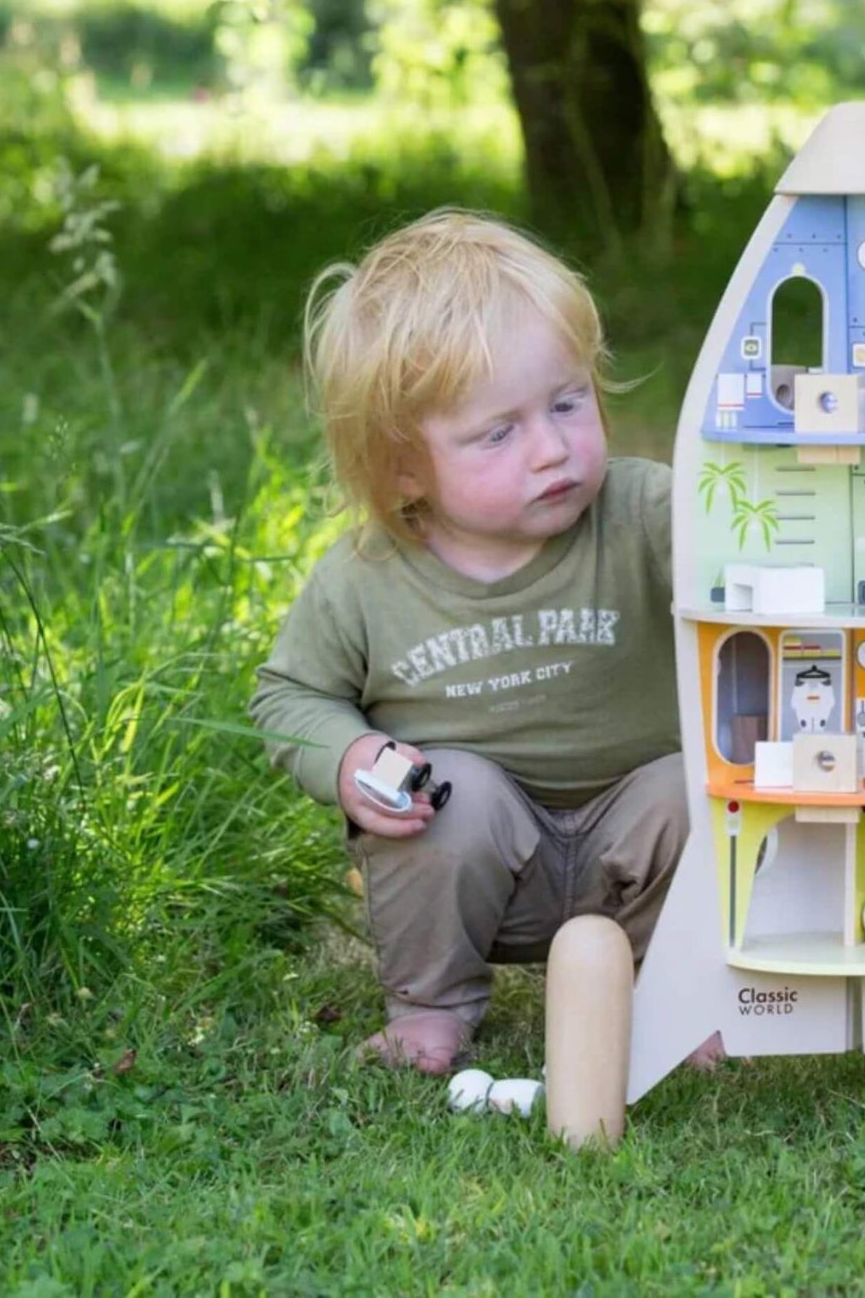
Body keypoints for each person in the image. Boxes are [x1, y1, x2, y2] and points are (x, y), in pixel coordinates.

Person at [250, 209, 721, 1076]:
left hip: (640, 842)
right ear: (402, 466)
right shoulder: (366, 576)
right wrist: (350, 756)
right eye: (498, 432)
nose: (550, 449)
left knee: (692, 788)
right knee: (451, 790)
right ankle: (430, 1006)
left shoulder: (645, 513)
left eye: (567, 402)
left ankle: (679, 991)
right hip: (478, 871)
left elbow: (741, 561)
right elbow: (287, 695)